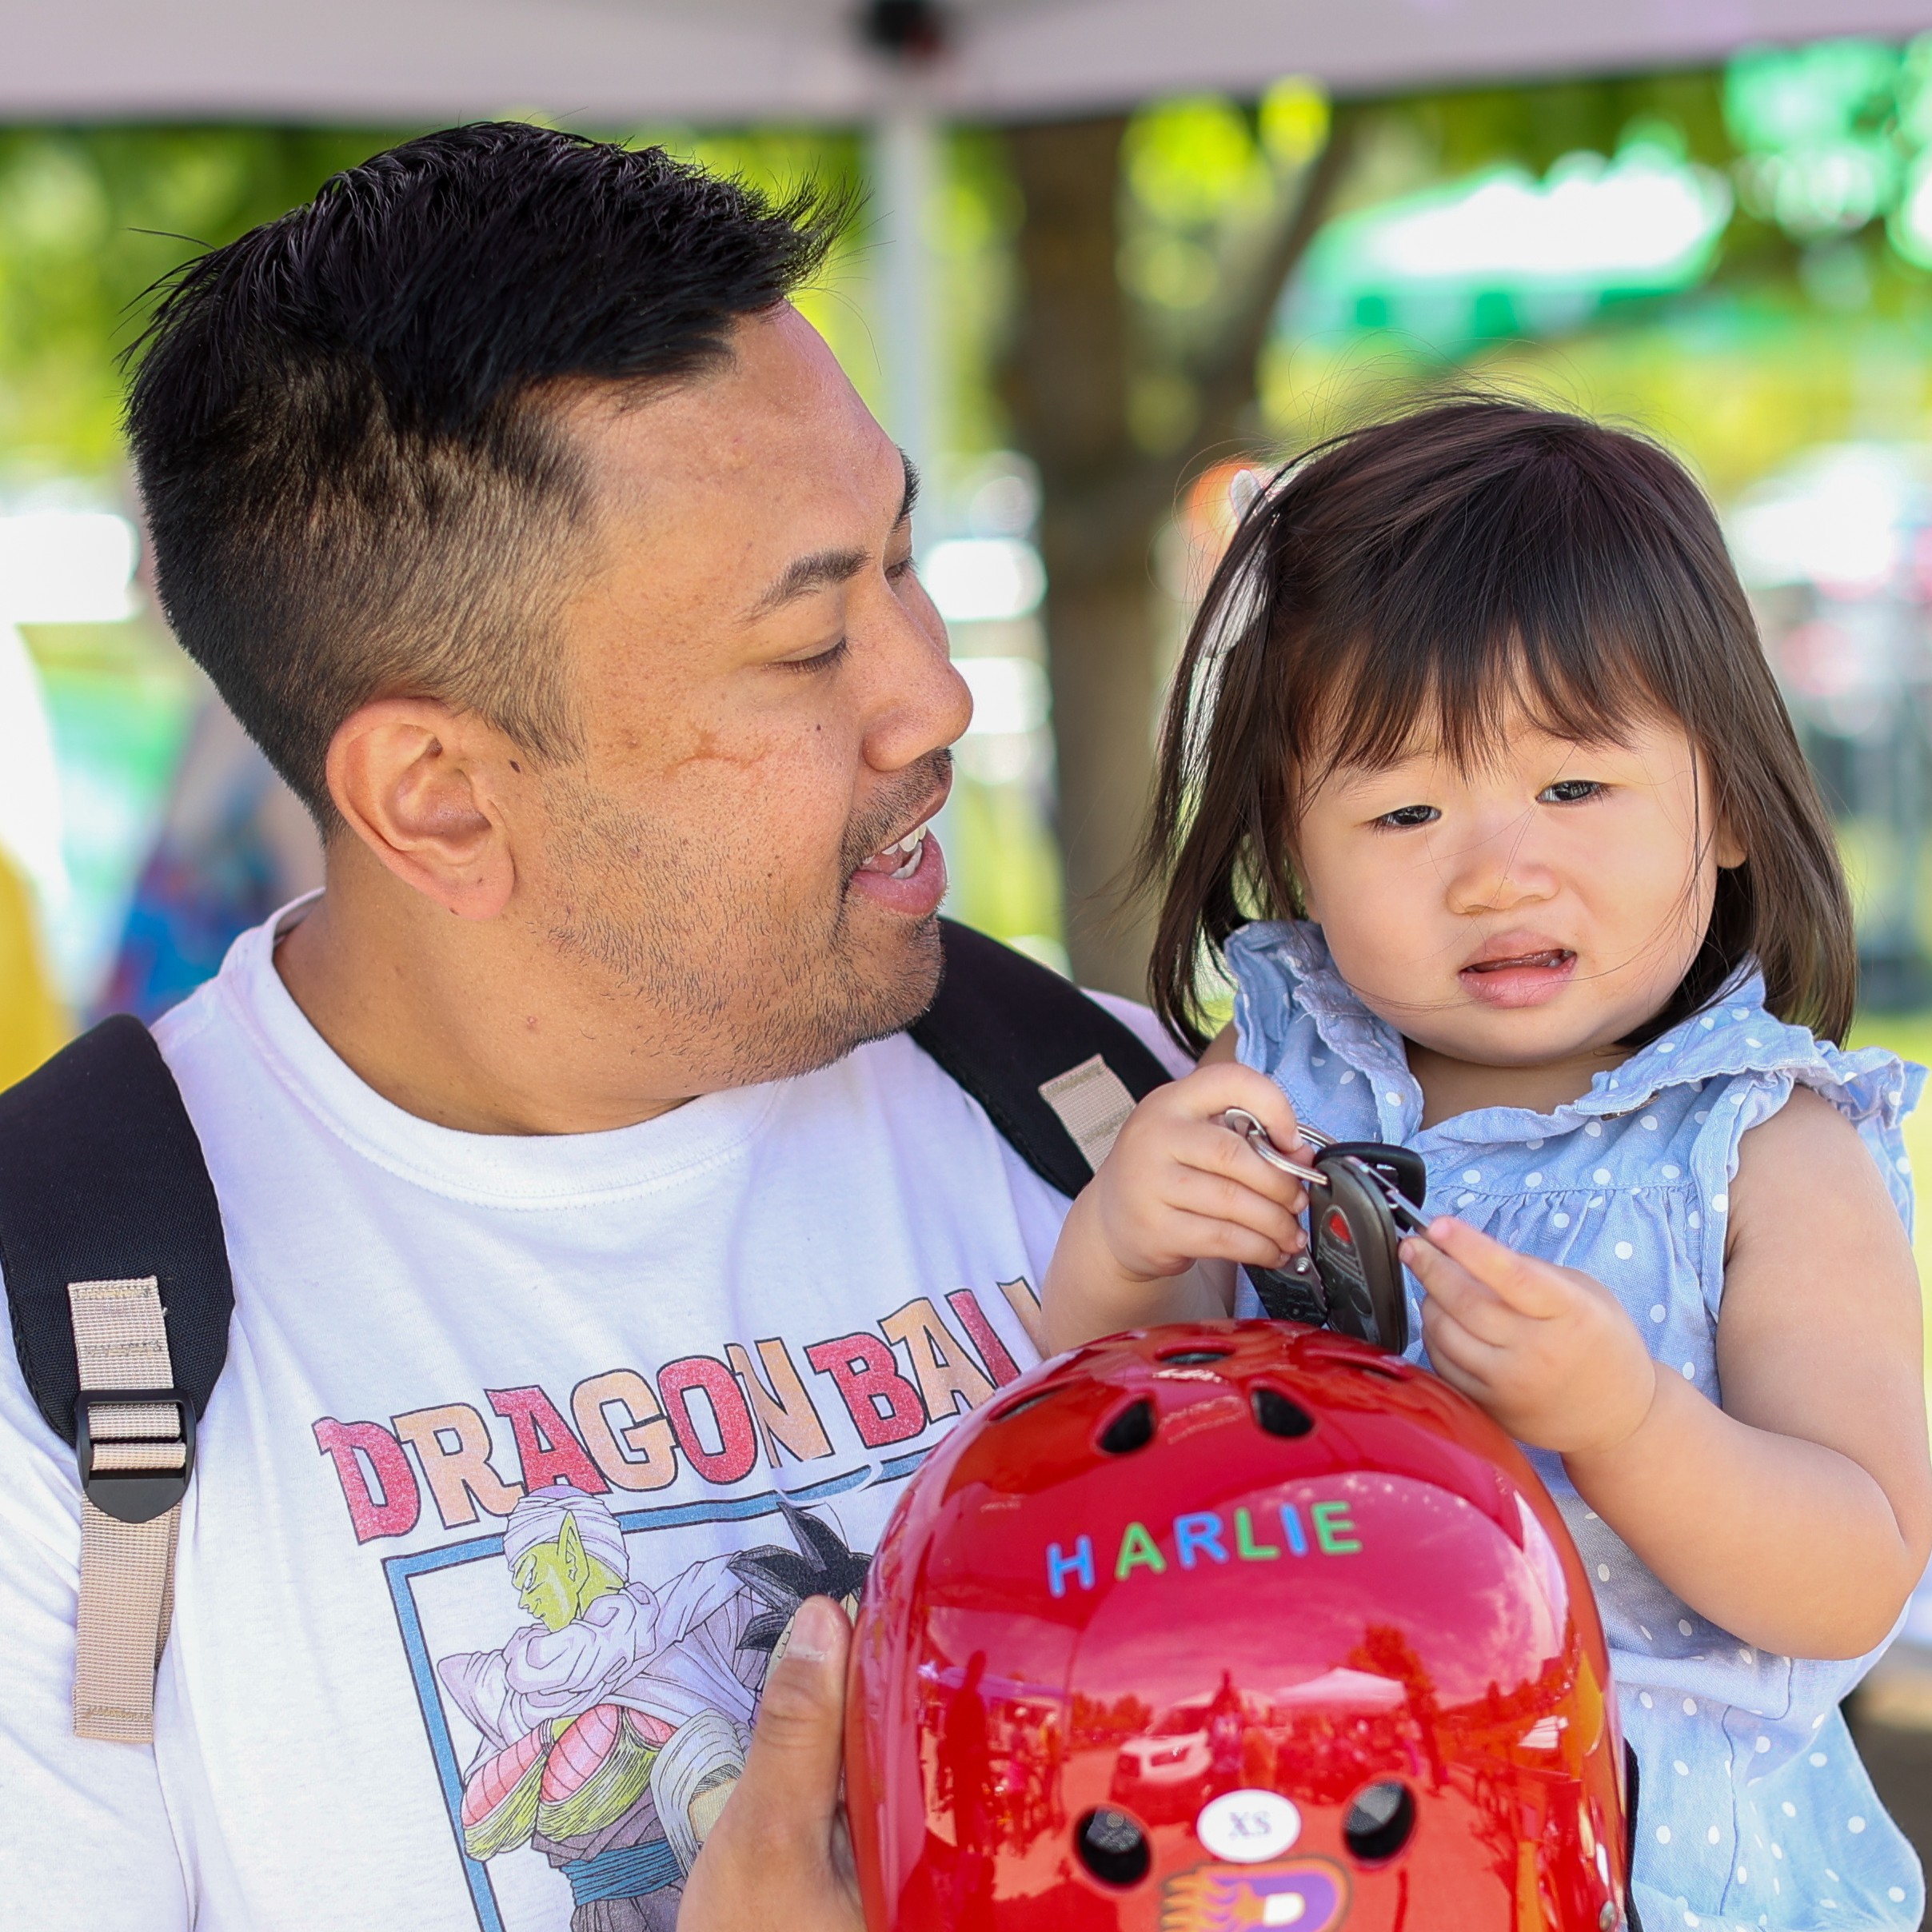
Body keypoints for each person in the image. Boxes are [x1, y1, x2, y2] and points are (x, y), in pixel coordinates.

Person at [0, 124, 1188, 1931]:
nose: (932, 691)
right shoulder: (58, 1346)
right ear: (440, 799)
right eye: (805, 646)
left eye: (902, 557)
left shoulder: (1117, 1121)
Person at [1042, 400, 1932, 1932]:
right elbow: (1109, 1452)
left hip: (1646, 1858)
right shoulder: (1275, 1097)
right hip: (1308, 1833)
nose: (1498, 868)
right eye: (1403, 809)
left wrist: (1628, 1422)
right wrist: (1121, 1253)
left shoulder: (1762, 1146)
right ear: (1289, 846)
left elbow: (1857, 1571)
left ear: (1721, 799)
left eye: (1574, 788)